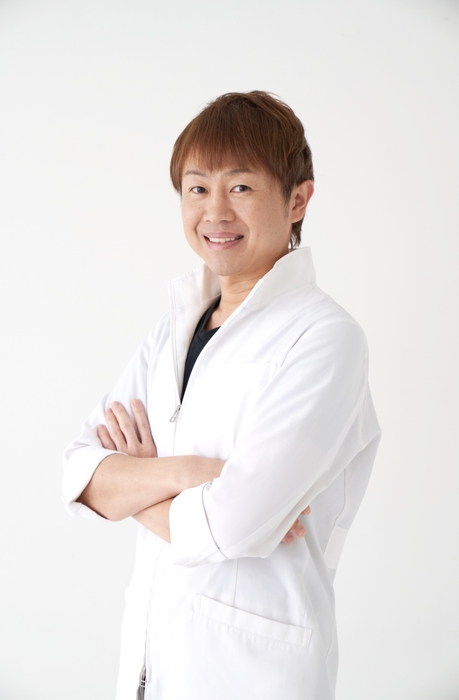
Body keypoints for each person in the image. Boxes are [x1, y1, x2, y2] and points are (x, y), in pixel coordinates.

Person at [63, 91, 381, 700]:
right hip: (149, 666)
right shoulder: (172, 331)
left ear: (297, 200)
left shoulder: (326, 338)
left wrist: (134, 484)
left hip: (253, 673)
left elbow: (230, 526)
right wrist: (189, 473)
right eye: (197, 188)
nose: (215, 211)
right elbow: (80, 474)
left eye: (240, 187)